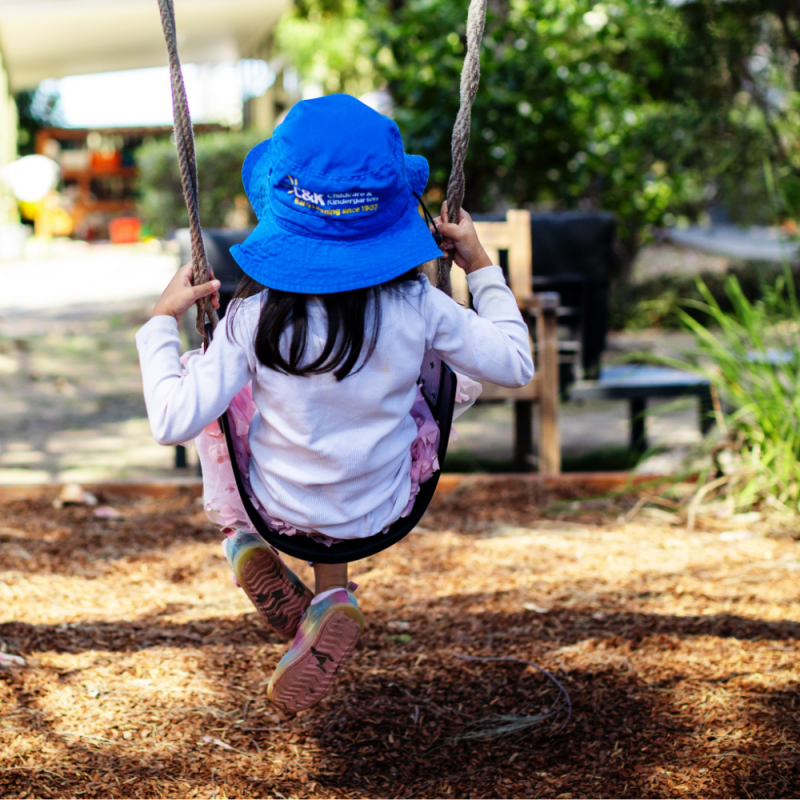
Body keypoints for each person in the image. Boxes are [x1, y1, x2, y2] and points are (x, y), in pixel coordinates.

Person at [136, 94, 534, 715]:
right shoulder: (420, 305)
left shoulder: (252, 318)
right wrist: (479, 265)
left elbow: (170, 420)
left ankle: (240, 539)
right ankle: (331, 596)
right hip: (383, 505)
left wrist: (162, 321)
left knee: (216, 398)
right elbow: (516, 363)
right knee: (411, 394)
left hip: (276, 503)